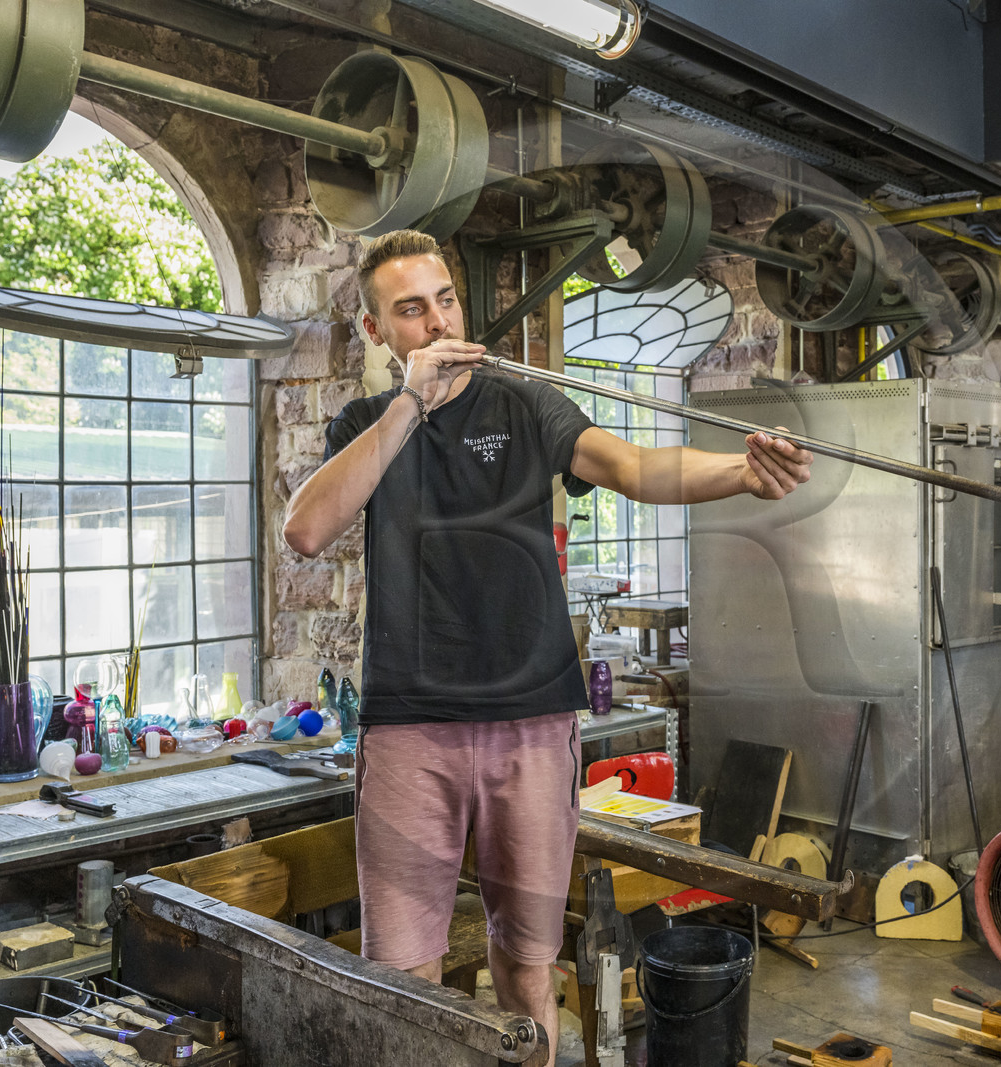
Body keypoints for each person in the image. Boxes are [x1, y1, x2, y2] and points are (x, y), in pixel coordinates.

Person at [283, 229, 813, 1058]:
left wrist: (739, 473)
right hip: (410, 736)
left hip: (531, 728)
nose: (434, 322)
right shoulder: (365, 424)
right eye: (409, 311)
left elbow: (636, 469)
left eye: (445, 300)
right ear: (376, 331)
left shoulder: (526, 404)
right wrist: (409, 403)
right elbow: (307, 529)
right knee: (403, 981)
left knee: (528, 967)